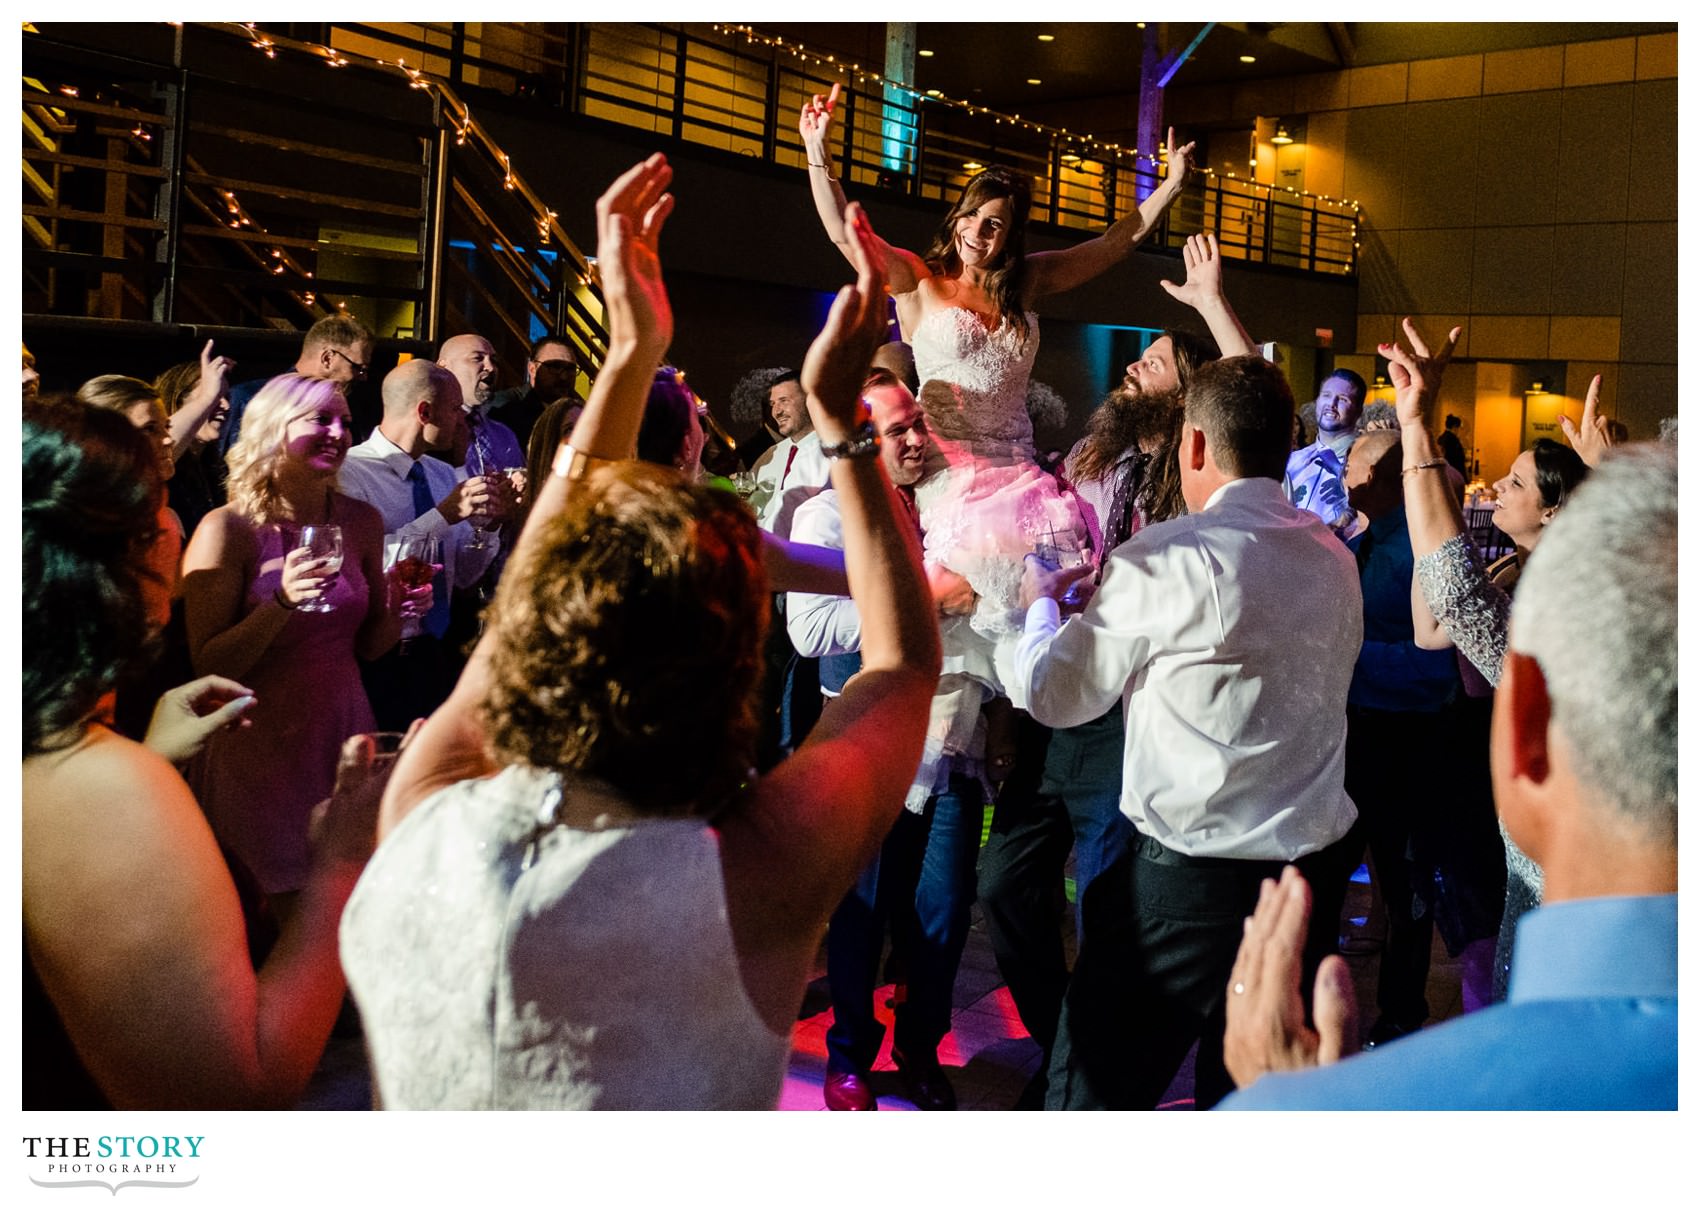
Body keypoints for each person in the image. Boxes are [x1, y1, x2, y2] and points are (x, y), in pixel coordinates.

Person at [339, 155, 941, 1110]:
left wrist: (627, 353)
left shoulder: (423, 815)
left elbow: (527, 595)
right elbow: (905, 667)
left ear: (539, 635)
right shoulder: (753, 878)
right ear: (731, 665)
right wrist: (844, 426)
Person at [1221, 443, 1675, 1110]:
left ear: (1524, 743)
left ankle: (1406, 1006)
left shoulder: (1340, 1112)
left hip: (1425, 755)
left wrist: (1286, 1106)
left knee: (1434, 908)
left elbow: (1445, 624)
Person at [1011, 356, 1362, 1109]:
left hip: (1184, 885)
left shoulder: (1170, 555)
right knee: (1250, 1107)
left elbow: (1054, 693)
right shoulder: (1335, 558)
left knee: (1095, 1098)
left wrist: (1040, 605)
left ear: (1194, 446)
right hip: (1301, 883)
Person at [23, 397, 386, 1109]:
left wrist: (150, 756)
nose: (172, 530)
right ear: (124, 554)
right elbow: (240, 1086)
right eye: (156, 512)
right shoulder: (102, 783)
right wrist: (342, 866)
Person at [801, 84, 1201, 639]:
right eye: (971, 217)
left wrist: (1171, 187)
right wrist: (817, 153)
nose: (977, 233)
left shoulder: (1028, 284)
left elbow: (1113, 243)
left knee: (1054, 606)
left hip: (1021, 471)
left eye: (994, 224)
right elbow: (848, 237)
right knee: (976, 607)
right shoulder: (922, 283)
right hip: (951, 475)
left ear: (1011, 235)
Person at [1389, 320, 1602, 1001]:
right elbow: (1433, 623)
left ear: (1554, 511)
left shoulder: (1570, 607)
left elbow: (1452, 597)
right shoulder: (1519, 571)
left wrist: (1417, 435)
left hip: (1556, 855)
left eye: (1515, 483)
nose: (1499, 492)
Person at [787, 368, 981, 1111]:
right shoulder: (823, 515)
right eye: (896, 428)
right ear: (858, 439)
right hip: (868, 739)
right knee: (863, 913)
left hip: (951, 738)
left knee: (942, 906)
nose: (914, 439)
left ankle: (921, 1048)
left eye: (917, 424)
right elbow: (810, 633)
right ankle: (849, 1058)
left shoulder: (946, 506)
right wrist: (922, 604)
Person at [181, 373, 427, 909]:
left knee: (345, 899)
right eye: (320, 419)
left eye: (344, 421)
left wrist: (400, 614)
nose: (338, 433)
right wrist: (281, 602)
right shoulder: (228, 529)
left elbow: (367, 648)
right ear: (272, 429)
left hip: (340, 730)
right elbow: (209, 661)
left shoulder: (361, 520)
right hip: (258, 744)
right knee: (267, 910)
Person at [1337, 428, 1464, 1045]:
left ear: (1388, 483)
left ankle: (1402, 1015)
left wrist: (1343, 658)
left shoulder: (1419, 552)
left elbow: (1435, 665)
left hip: (1407, 739)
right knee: (1332, 867)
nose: (1345, 478)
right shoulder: (1357, 536)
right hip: (1354, 730)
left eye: (1356, 471)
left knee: (1407, 878)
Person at [338, 360, 503, 731]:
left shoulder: (442, 473)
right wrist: (443, 516)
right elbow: (366, 567)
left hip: (435, 652)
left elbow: (461, 576)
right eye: (454, 408)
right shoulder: (350, 473)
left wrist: (488, 526)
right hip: (378, 655)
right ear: (424, 411)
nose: (462, 419)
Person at [217, 314, 375, 457]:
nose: (363, 377)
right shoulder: (249, 398)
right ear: (327, 359)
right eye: (358, 368)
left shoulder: (349, 407)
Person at [155, 340, 239, 540]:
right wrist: (207, 398)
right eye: (215, 396)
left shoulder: (215, 468)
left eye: (225, 396)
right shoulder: (165, 466)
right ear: (178, 400)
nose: (225, 406)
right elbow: (153, 455)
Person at [1283, 367, 1365, 536]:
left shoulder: (1363, 465)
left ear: (1358, 411)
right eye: (1326, 396)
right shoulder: (1292, 460)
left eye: (1342, 399)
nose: (1331, 404)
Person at [488, 332, 580, 451]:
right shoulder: (505, 408)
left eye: (570, 369)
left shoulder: (578, 413)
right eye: (554, 367)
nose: (564, 376)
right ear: (532, 369)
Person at [1438, 412, 1467, 476]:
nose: (1460, 430)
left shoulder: (1441, 438)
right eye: (1460, 428)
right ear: (1455, 427)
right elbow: (1456, 459)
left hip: (1445, 471)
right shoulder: (1453, 440)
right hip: (1454, 472)